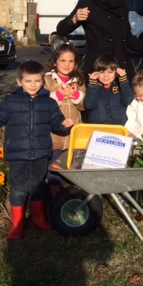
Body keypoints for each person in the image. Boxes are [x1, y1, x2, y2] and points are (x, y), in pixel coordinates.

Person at [0, 61, 74, 239]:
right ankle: (17, 224)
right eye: (28, 81)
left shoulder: (49, 103)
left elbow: (57, 125)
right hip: (18, 154)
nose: (33, 85)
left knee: (38, 187)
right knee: (18, 189)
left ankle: (39, 218)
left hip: (40, 153)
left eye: (37, 81)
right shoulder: (10, 102)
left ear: (43, 82)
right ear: (19, 82)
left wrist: (64, 125)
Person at [56, 0, 143, 76]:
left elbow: (127, 38)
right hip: (99, 67)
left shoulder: (123, 7)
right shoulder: (87, 4)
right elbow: (61, 30)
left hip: (121, 66)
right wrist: (74, 19)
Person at [44, 43, 86, 198]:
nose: (67, 65)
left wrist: (75, 96)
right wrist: (59, 95)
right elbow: (44, 104)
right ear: (55, 61)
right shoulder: (47, 80)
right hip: (55, 134)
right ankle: (55, 193)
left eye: (71, 61)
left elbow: (83, 106)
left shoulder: (78, 81)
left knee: (76, 163)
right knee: (55, 165)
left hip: (75, 132)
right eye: (63, 61)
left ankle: (77, 193)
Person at [84, 55, 132, 125]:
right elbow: (89, 105)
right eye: (102, 72)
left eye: (110, 72)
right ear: (96, 73)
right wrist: (92, 85)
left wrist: (124, 81)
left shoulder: (119, 85)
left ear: (116, 73)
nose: (106, 75)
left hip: (119, 126)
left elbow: (128, 101)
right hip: (98, 127)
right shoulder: (94, 87)